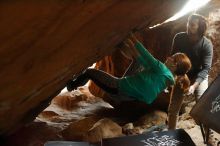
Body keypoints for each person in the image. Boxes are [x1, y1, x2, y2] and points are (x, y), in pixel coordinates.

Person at [66, 33, 191, 105]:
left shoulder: (161, 68)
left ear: (174, 65)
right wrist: (128, 45)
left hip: (118, 88)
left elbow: (145, 53)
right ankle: (121, 46)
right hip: (131, 95)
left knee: (89, 72)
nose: (168, 57)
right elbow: (141, 60)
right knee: (138, 62)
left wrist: (131, 37)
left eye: (172, 58)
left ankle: (71, 86)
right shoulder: (169, 78)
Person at [171, 14, 213, 101]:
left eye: (192, 24)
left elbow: (206, 68)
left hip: (199, 74)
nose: (188, 26)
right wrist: (172, 77)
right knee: (174, 106)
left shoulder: (206, 45)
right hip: (182, 73)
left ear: (200, 28)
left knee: (201, 103)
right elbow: (173, 59)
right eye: (188, 23)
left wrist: (194, 86)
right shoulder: (179, 37)